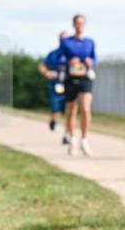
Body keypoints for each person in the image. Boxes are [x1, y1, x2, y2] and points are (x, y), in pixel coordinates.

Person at [60, 14, 97, 156]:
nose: (80, 25)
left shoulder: (90, 42)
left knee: (86, 109)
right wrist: (69, 61)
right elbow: (60, 58)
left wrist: (90, 62)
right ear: (73, 25)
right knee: (71, 110)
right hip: (71, 78)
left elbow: (94, 57)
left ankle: (84, 140)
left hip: (85, 77)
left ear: (85, 24)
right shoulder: (66, 42)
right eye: (77, 23)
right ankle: (71, 139)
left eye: (82, 23)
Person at [39, 31, 70, 141]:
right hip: (55, 85)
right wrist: (47, 72)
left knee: (69, 111)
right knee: (56, 110)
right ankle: (54, 120)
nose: (64, 41)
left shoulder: (72, 53)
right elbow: (42, 65)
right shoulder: (54, 54)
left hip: (69, 84)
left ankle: (67, 135)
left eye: (67, 39)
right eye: (62, 39)